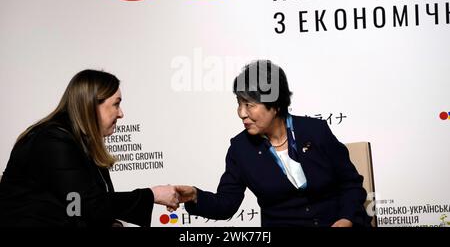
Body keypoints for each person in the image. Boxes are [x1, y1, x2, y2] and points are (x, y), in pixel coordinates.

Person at [176, 60, 372, 227]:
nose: (241, 113)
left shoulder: (315, 131)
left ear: (276, 105)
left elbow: (351, 183)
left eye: (249, 104)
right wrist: (194, 196)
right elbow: (226, 203)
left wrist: (346, 219)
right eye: (239, 103)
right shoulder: (240, 149)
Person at [0, 69, 179, 227]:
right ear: (91, 105)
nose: (121, 113)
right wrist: (153, 195)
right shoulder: (52, 140)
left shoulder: (78, 142)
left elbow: (77, 208)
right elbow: (87, 204)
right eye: (116, 104)